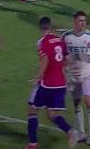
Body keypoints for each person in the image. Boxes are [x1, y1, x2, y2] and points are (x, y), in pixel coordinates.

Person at [25, 16, 80, 149]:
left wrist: (38, 76)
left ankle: (33, 145)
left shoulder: (42, 42)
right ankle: (70, 131)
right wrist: (58, 66)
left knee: (32, 110)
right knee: (51, 114)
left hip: (47, 83)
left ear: (40, 27)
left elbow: (44, 60)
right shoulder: (60, 41)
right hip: (60, 82)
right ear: (50, 26)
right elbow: (67, 60)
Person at [62, 11, 90, 144]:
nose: (83, 23)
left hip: (88, 73)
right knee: (76, 104)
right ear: (74, 22)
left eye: (84, 20)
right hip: (73, 75)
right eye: (80, 21)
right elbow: (62, 56)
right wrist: (65, 70)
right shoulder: (66, 37)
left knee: (88, 102)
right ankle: (81, 133)